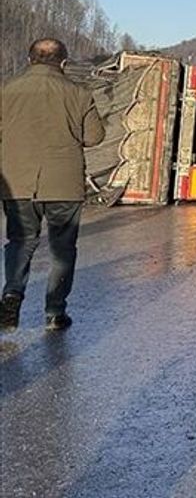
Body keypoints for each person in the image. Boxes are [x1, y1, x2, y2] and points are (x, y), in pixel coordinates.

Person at [0, 38, 105, 331]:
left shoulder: (6, 90)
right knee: (63, 248)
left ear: (29, 60)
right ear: (64, 63)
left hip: (18, 180)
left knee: (21, 241)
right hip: (64, 183)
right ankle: (55, 312)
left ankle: (12, 293)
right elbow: (94, 136)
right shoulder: (79, 93)